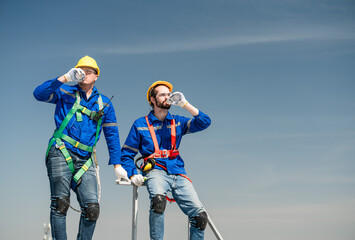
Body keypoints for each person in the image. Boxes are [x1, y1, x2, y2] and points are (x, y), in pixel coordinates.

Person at [33, 56, 129, 240]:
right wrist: (64, 77)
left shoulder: (104, 103)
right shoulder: (64, 92)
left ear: (97, 76)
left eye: (89, 71)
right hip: (61, 150)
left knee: (92, 209)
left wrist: (117, 165)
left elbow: (112, 135)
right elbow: (39, 94)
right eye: (80, 70)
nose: (84, 73)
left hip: (86, 158)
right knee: (60, 203)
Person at [121, 81, 211, 240]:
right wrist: (132, 173)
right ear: (153, 100)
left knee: (200, 217)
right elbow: (126, 154)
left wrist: (185, 104)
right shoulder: (140, 124)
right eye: (162, 94)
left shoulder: (178, 121)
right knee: (158, 202)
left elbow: (205, 122)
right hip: (155, 170)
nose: (167, 97)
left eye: (169, 94)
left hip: (178, 171)